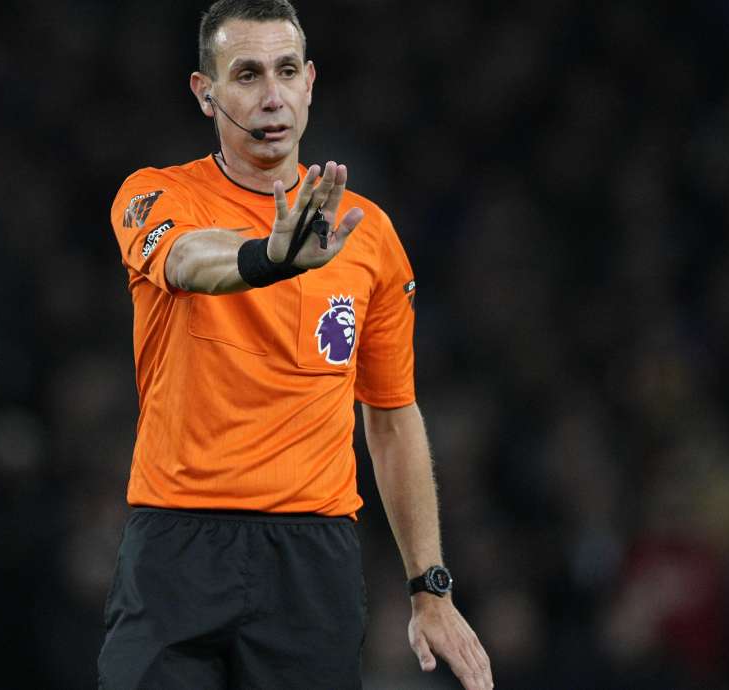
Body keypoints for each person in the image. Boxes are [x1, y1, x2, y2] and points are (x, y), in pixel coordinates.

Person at [102, 1, 492, 688]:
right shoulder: (156, 195)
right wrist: (267, 257)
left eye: (286, 71)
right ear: (206, 92)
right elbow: (188, 259)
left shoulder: (367, 234)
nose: (272, 96)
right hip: (176, 550)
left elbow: (393, 415)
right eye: (246, 74)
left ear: (311, 81)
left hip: (311, 563)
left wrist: (430, 588)